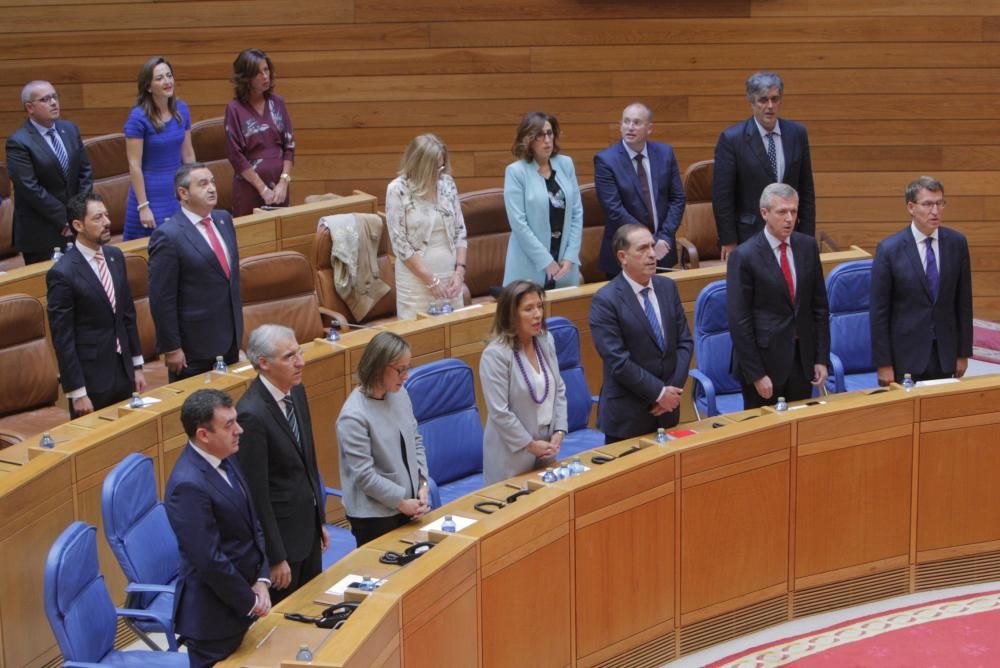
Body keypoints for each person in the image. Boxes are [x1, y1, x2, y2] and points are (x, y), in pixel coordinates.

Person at [165, 389, 270, 668]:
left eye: (236, 420)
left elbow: (252, 520)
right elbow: (209, 560)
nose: (239, 430)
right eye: (229, 425)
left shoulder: (227, 456)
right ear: (203, 435)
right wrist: (250, 601)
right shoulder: (186, 486)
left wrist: (262, 578)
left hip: (246, 600)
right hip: (214, 619)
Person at [236, 324, 328, 604]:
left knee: (312, 610)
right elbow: (257, 495)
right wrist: (274, 557)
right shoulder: (250, 415)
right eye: (289, 357)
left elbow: (308, 461)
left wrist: (319, 520)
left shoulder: (296, 391)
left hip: (307, 530)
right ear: (263, 363)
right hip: (283, 545)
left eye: (299, 352)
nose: (300, 362)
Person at [726, 183, 829, 408]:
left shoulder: (808, 247)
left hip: (802, 361)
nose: (789, 218)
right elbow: (739, 321)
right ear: (764, 213)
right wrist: (756, 374)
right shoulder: (744, 256)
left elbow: (819, 307)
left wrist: (821, 358)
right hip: (765, 365)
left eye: (793, 211)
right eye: (782, 212)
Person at [46, 192, 146, 417]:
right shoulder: (62, 273)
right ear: (78, 225)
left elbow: (127, 314)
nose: (108, 222)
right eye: (98, 218)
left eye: (107, 216)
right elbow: (63, 338)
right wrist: (77, 391)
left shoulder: (115, 256)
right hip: (92, 380)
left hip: (124, 372)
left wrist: (137, 366)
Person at [590, 224, 693, 442]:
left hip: (668, 412)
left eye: (653, 247)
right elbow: (617, 361)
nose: (652, 255)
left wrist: (671, 393)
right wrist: (659, 393)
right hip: (628, 417)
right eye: (643, 248)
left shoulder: (667, 287)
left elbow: (684, 342)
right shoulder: (605, 300)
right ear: (622, 256)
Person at [870, 176, 973, 385]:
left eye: (940, 203)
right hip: (905, 357)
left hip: (945, 354)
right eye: (927, 204)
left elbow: (963, 303)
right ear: (911, 207)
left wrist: (963, 352)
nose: (935, 211)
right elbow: (879, 312)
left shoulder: (957, 243)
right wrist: (884, 363)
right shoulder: (890, 249)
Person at [149, 163, 242, 382]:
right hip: (194, 349)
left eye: (212, 182)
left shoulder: (224, 219)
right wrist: (171, 347)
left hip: (230, 339)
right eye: (203, 184)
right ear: (183, 193)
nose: (212, 188)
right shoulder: (168, 236)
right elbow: (162, 299)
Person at [336, 331, 430, 547]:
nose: (406, 376)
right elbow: (365, 476)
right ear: (379, 367)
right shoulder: (353, 415)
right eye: (400, 369)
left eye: (408, 368)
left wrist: (422, 486)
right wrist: (401, 503)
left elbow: (415, 440)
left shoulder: (400, 394)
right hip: (374, 517)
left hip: (408, 504)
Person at [712, 71, 815, 261]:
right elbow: (722, 197)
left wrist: (807, 236)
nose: (770, 106)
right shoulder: (732, 139)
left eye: (775, 99)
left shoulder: (797, 134)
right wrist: (729, 241)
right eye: (763, 100)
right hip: (750, 236)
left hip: (790, 233)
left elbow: (806, 189)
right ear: (752, 101)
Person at [480, 280, 568, 485]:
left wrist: (559, 430)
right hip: (511, 459)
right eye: (528, 309)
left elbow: (559, 388)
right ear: (511, 315)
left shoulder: (546, 340)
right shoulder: (495, 355)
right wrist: (529, 445)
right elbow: (500, 412)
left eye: (539, 306)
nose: (538, 314)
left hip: (546, 451)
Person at [5, 80, 92, 264]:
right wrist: (65, 219)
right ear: (30, 108)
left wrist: (79, 213)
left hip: (77, 225)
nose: (53, 102)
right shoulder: (18, 142)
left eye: (55, 96)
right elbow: (29, 188)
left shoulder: (69, 129)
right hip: (42, 232)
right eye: (45, 99)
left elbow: (85, 172)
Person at [594, 102, 685, 277]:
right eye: (626, 122)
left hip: (662, 251)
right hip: (625, 253)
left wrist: (664, 238)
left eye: (636, 122)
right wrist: (651, 242)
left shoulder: (665, 153)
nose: (630, 127)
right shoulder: (606, 161)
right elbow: (614, 210)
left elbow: (677, 198)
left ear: (649, 128)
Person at [385, 134, 468, 318]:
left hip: (450, 278)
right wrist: (430, 280)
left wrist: (460, 272)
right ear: (420, 165)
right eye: (435, 167)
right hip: (416, 283)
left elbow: (460, 230)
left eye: (442, 165)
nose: (440, 171)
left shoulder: (447, 183)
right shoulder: (397, 190)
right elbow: (400, 244)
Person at [502, 111, 583, 288]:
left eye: (549, 133)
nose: (547, 140)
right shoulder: (516, 172)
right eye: (540, 135)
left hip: (564, 263)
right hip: (528, 264)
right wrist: (546, 261)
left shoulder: (566, 164)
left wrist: (570, 256)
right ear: (528, 140)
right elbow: (519, 224)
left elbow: (577, 213)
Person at [123, 56, 195, 240]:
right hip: (151, 195)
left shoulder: (181, 109)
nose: (167, 81)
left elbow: (187, 154)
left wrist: (195, 189)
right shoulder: (138, 118)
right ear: (148, 87)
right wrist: (143, 206)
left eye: (169, 75)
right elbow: (134, 165)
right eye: (160, 78)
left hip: (177, 191)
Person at [224, 48, 295, 216]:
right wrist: (262, 188)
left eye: (266, 69)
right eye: (258, 73)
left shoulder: (278, 103)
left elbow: (289, 147)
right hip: (249, 188)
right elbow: (236, 156)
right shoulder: (234, 109)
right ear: (246, 78)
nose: (265, 76)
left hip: (279, 188)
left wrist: (284, 182)